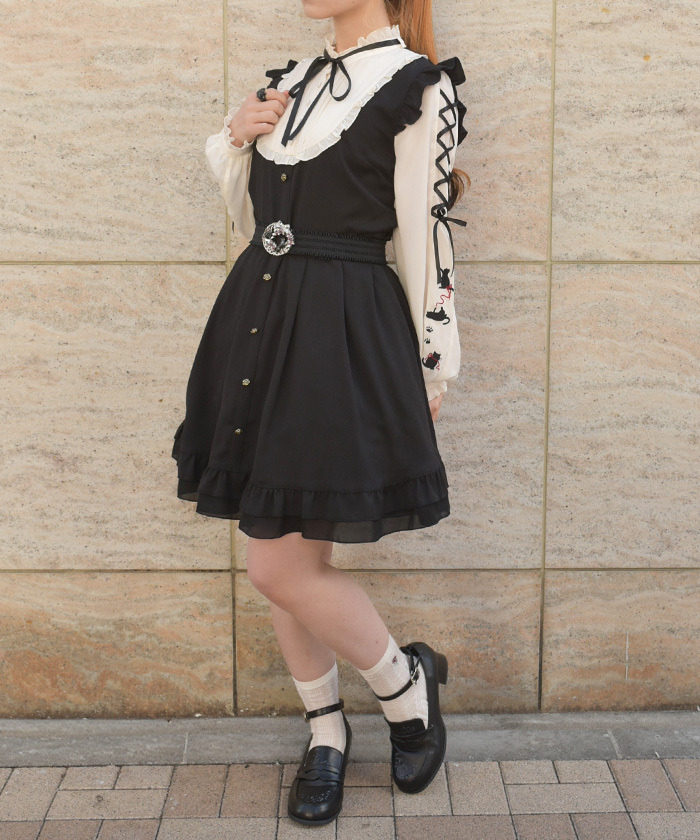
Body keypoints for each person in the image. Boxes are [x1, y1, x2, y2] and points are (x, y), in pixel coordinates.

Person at [171, 0, 469, 826]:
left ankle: (406, 690)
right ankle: (327, 731)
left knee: (277, 567)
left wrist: (432, 363)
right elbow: (256, 218)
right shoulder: (292, 81)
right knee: (277, 537)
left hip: (341, 333)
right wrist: (235, 137)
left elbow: (424, 232)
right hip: (259, 322)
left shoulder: (416, 85)